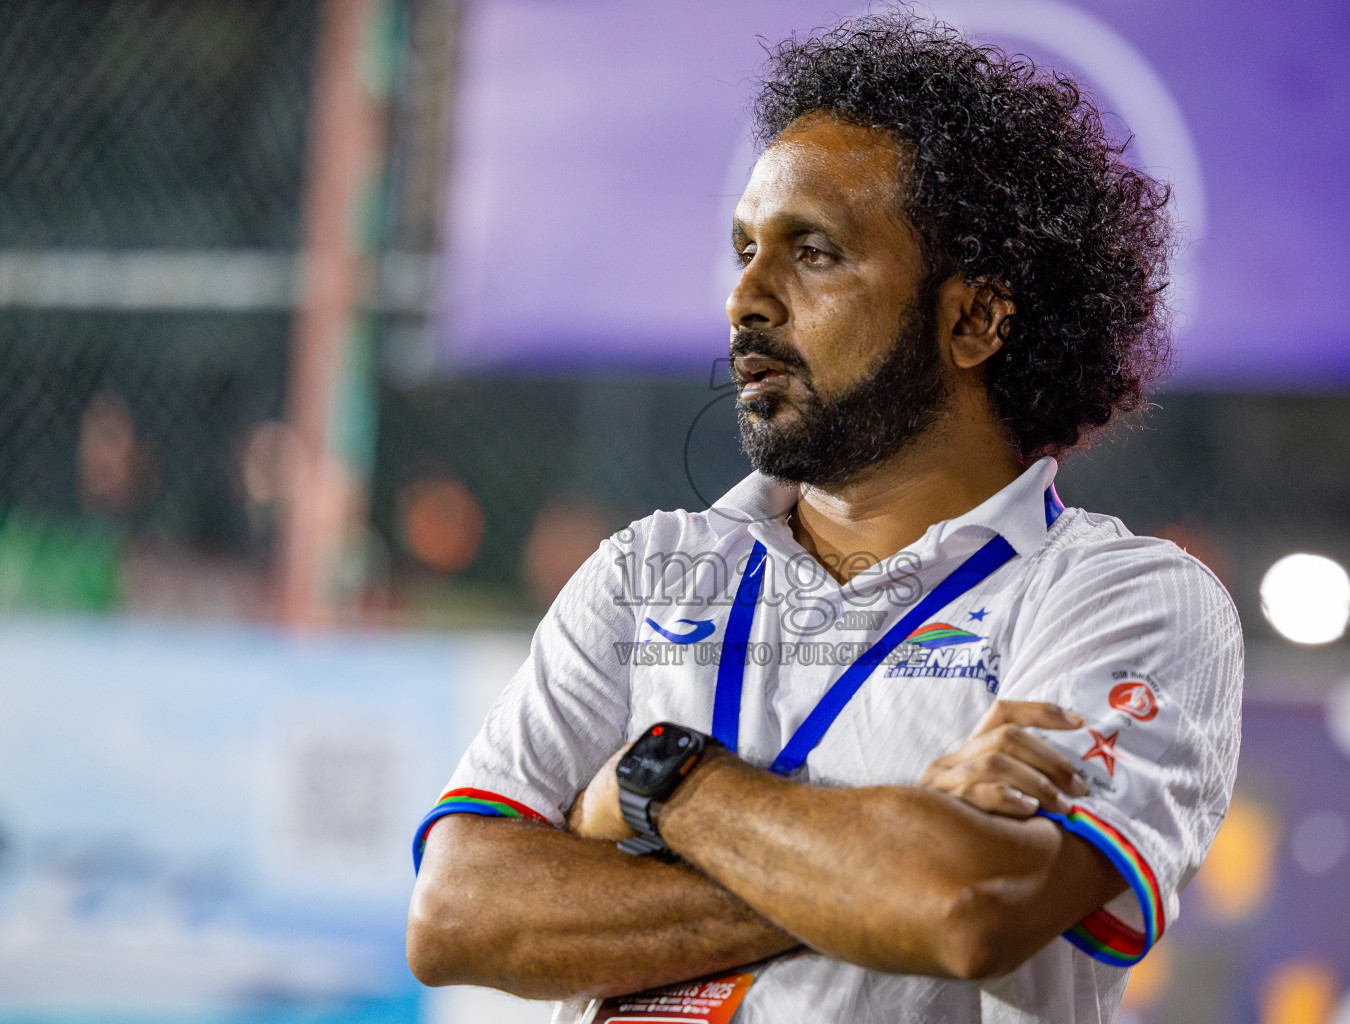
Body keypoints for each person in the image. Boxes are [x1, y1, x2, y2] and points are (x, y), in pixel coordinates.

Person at [406, 13, 1242, 1024]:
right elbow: (458, 914)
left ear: (973, 318)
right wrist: (897, 835)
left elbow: (965, 906)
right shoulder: (646, 571)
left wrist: (656, 784)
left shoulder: (1125, 599)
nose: (746, 300)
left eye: (815, 252)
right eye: (745, 249)